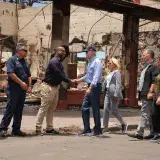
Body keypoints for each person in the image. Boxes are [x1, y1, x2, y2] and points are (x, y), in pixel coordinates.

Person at [35, 46, 74, 135]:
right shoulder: (54, 61)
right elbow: (59, 73)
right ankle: (38, 128)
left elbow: (62, 74)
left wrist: (69, 80)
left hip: (55, 87)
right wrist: (69, 81)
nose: (64, 53)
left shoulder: (59, 62)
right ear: (58, 51)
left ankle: (49, 128)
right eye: (63, 51)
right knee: (44, 108)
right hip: (48, 87)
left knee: (51, 109)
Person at [0, 43, 32, 137]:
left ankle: (16, 129)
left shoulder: (25, 62)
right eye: (25, 50)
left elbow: (29, 75)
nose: (26, 52)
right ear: (19, 51)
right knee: (11, 108)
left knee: (19, 109)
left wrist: (29, 86)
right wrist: (21, 83)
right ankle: (3, 128)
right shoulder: (12, 60)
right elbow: (10, 73)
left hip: (22, 89)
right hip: (14, 88)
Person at [128, 49, 157, 140]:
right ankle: (153, 133)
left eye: (143, 55)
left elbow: (154, 81)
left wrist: (150, 92)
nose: (142, 56)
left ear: (149, 55)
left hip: (148, 93)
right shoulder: (146, 66)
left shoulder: (153, 66)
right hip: (144, 93)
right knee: (150, 113)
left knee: (144, 113)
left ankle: (139, 132)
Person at [76, 46, 103, 136]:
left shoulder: (97, 62)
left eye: (87, 52)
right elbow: (88, 76)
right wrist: (79, 80)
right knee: (84, 108)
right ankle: (87, 129)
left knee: (95, 109)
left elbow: (95, 77)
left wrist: (90, 88)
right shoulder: (90, 62)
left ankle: (97, 130)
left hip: (94, 87)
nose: (86, 54)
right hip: (90, 86)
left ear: (92, 52)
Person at [103, 58, 127, 133]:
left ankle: (123, 123)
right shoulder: (110, 73)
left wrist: (116, 94)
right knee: (105, 109)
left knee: (114, 110)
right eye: (108, 63)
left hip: (114, 94)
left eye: (110, 63)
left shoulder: (117, 72)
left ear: (114, 64)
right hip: (107, 93)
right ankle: (105, 126)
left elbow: (118, 84)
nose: (108, 64)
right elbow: (106, 82)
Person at [150, 56, 160, 141]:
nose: (158, 62)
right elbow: (154, 82)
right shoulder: (158, 71)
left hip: (159, 96)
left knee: (157, 115)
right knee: (154, 115)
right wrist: (152, 92)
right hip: (156, 96)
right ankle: (157, 133)